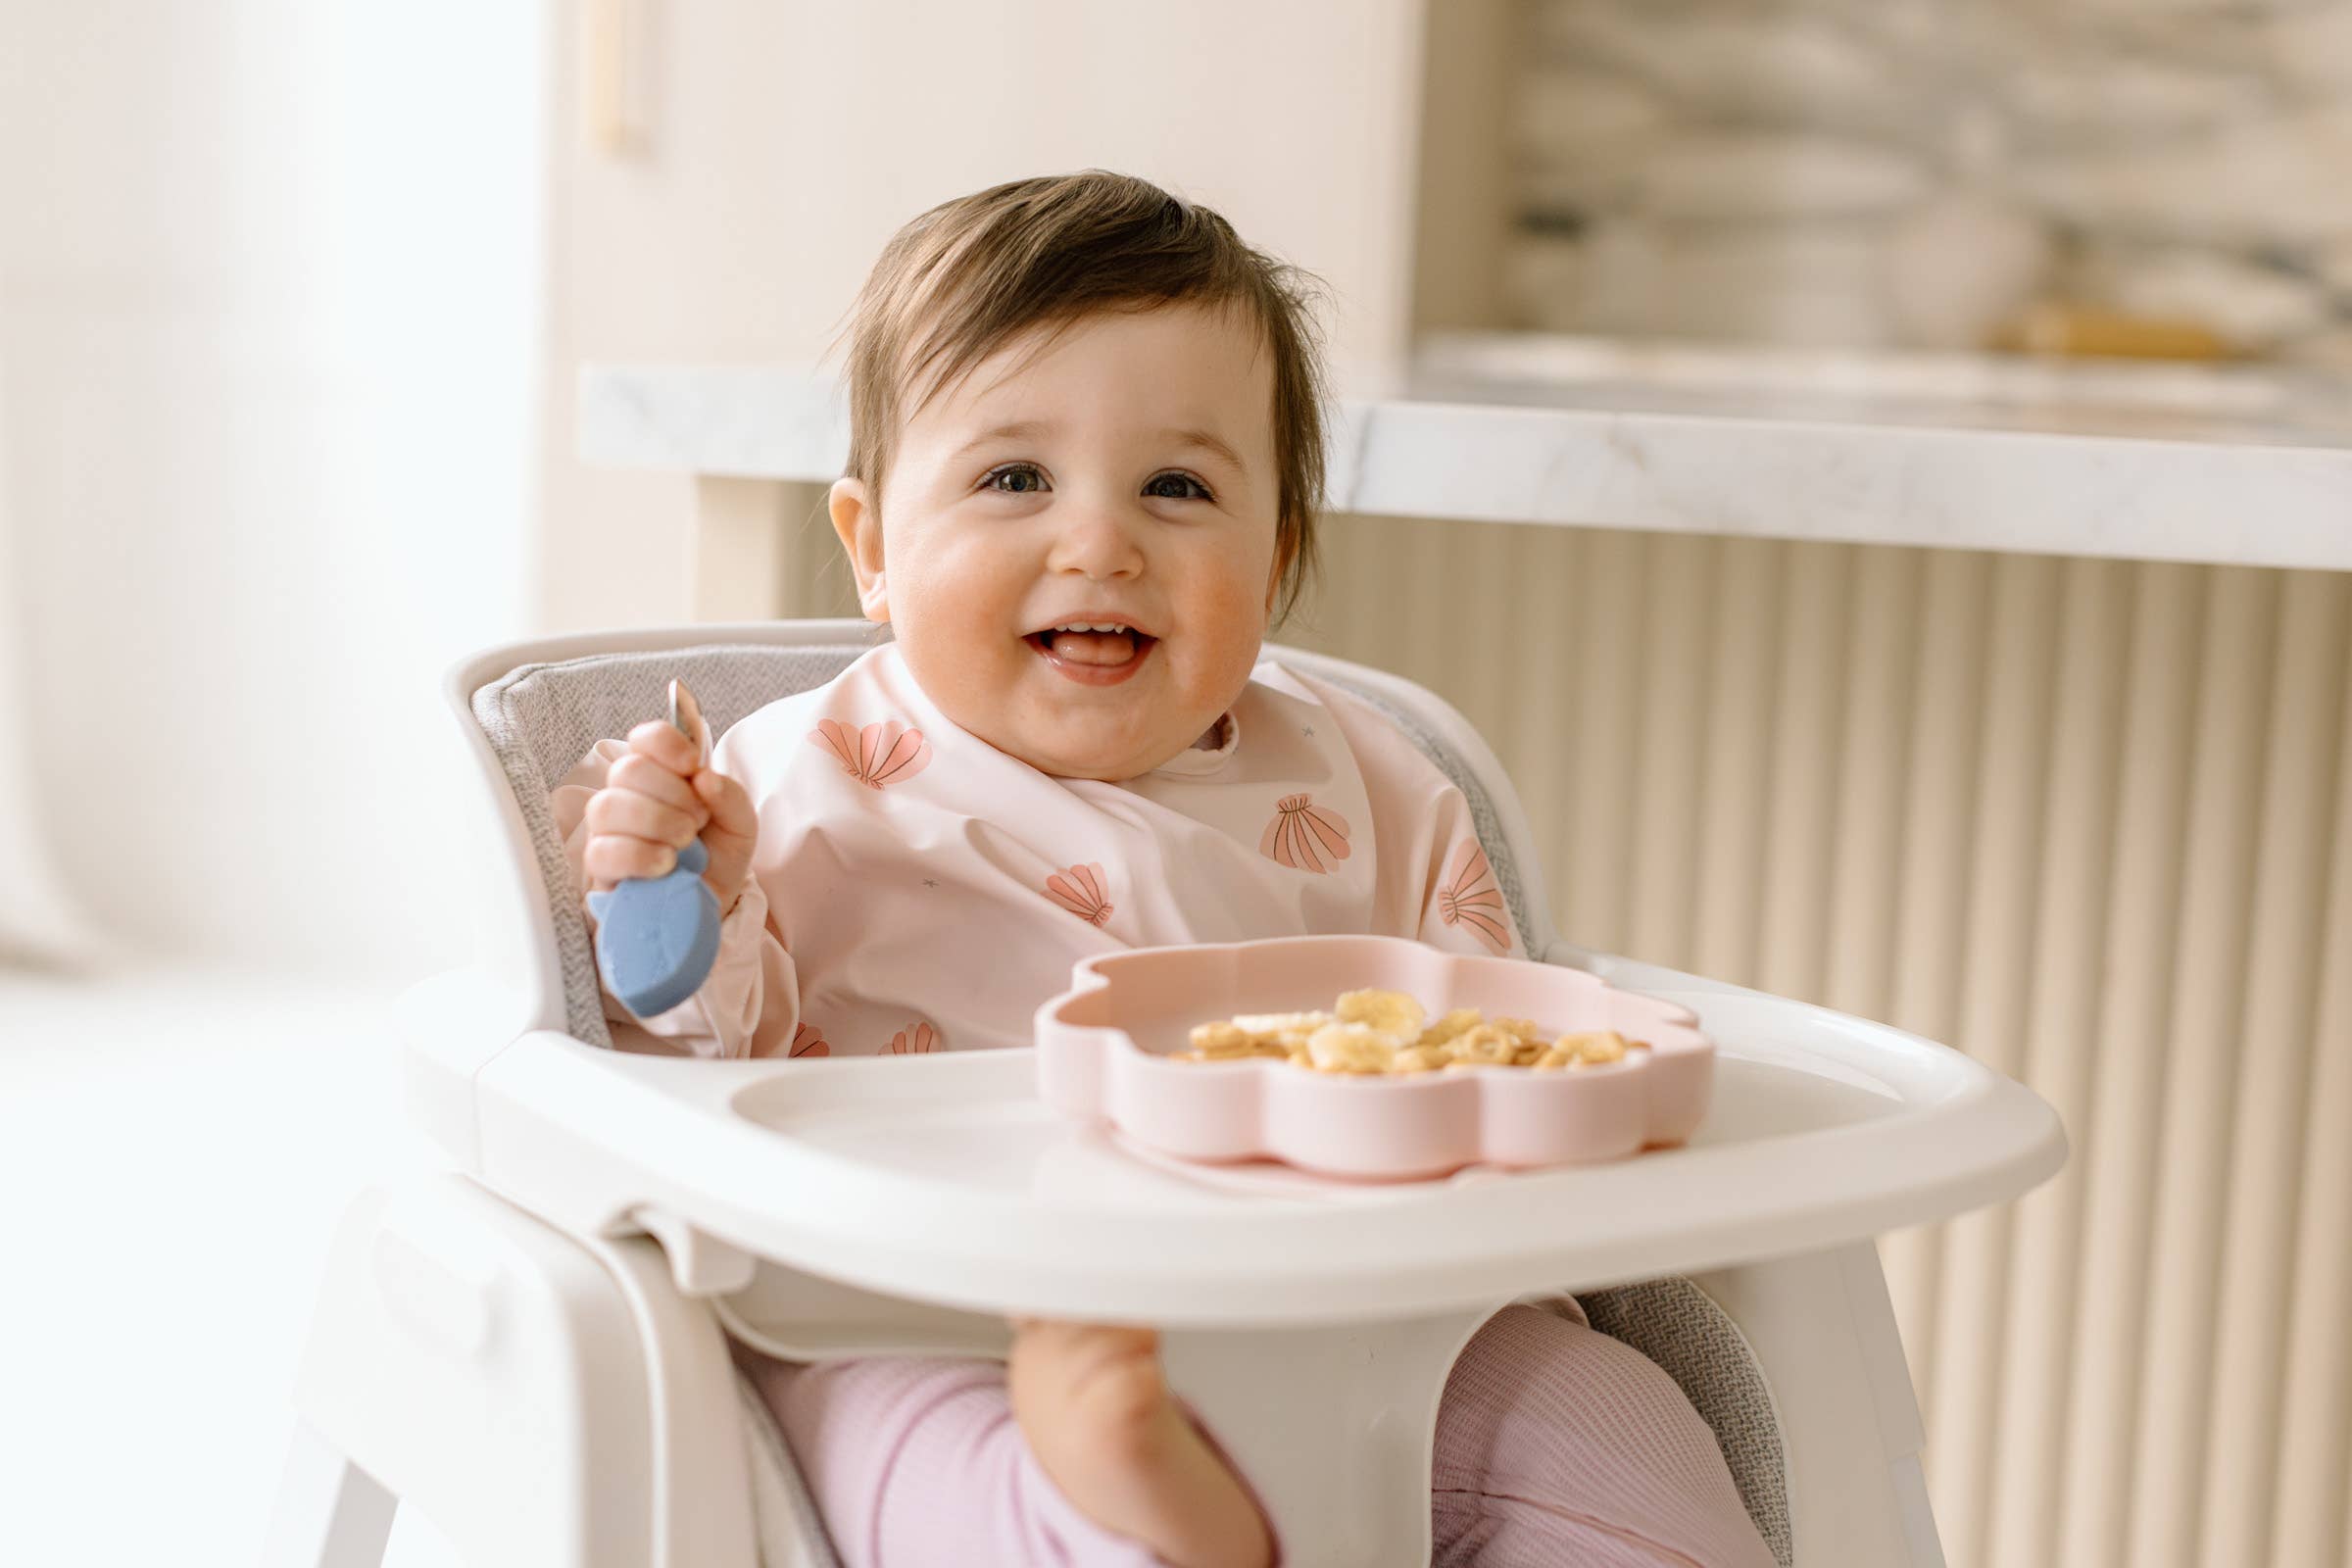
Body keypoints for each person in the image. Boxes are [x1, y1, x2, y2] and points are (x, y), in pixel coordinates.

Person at [557, 170, 1774, 1568]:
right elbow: (699, 1071)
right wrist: (683, 894)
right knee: (893, 1454)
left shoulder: (1363, 778)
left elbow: (1489, 1027)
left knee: (1604, 1419)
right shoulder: (790, 779)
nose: (1100, 542)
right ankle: (1115, 1514)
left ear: (1279, 557)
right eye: (1014, 478)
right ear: (875, 548)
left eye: (1179, 487)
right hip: (921, 1316)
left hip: (1356, 1323)